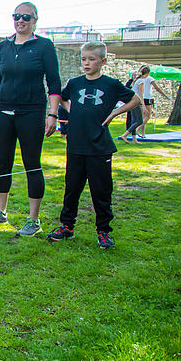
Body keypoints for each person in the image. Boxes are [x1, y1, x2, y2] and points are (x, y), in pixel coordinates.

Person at [46, 42, 140, 249]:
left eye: (92, 59)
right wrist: (73, 111)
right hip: (76, 145)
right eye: (83, 59)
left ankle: (104, 231)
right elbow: (60, 98)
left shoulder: (111, 84)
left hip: (99, 147)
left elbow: (136, 99)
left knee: (101, 191)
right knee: (72, 189)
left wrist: (114, 113)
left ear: (103, 61)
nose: (87, 63)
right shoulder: (76, 83)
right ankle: (67, 226)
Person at [0, 2, 62, 236]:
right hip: (4, 113)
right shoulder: (4, 47)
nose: (21, 20)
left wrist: (53, 114)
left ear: (35, 19)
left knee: (31, 164)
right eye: (17, 16)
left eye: (26, 17)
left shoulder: (44, 46)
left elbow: (54, 82)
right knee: (3, 164)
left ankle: (33, 219)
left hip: (31, 112)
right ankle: (0, 212)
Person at [135, 65, 169, 138]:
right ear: (148, 72)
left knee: (143, 117)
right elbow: (157, 88)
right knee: (147, 117)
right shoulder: (149, 78)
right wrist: (165, 95)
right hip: (147, 98)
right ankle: (138, 129)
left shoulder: (138, 79)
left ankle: (143, 134)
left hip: (141, 99)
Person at [118, 69, 144, 144]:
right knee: (138, 121)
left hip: (132, 101)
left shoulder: (135, 82)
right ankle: (125, 135)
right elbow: (140, 94)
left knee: (133, 120)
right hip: (134, 102)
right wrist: (142, 104)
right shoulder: (138, 82)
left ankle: (133, 138)